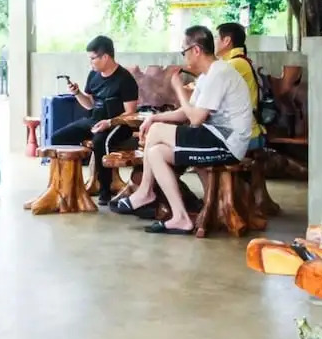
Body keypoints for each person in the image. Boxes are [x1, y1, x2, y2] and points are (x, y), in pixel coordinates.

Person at [111, 26, 253, 234]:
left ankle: (145, 191)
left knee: (157, 131)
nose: (183, 56)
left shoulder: (219, 73)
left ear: (196, 50)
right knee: (156, 153)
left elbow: (195, 118)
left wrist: (178, 88)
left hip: (227, 143)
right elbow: (186, 112)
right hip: (213, 137)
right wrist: (154, 117)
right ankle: (180, 217)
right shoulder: (207, 76)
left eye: (183, 51)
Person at [50, 35, 140, 206]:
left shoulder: (125, 79)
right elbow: (90, 104)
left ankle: (104, 189)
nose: (90, 63)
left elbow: (130, 113)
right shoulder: (93, 75)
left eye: (92, 58)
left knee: (100, 142)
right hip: (95, 120)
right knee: (58, 138)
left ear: (105, 57)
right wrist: (77, 93)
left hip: (118, 125)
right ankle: (67, 186)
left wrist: (109, 122)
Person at [215, 22, 266, 151]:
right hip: (243, 133)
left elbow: (209, 93)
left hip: (244, 137)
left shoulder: (235, 64)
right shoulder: (236, 62)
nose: (213, 42)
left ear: (226, 41)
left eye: (216, 37)